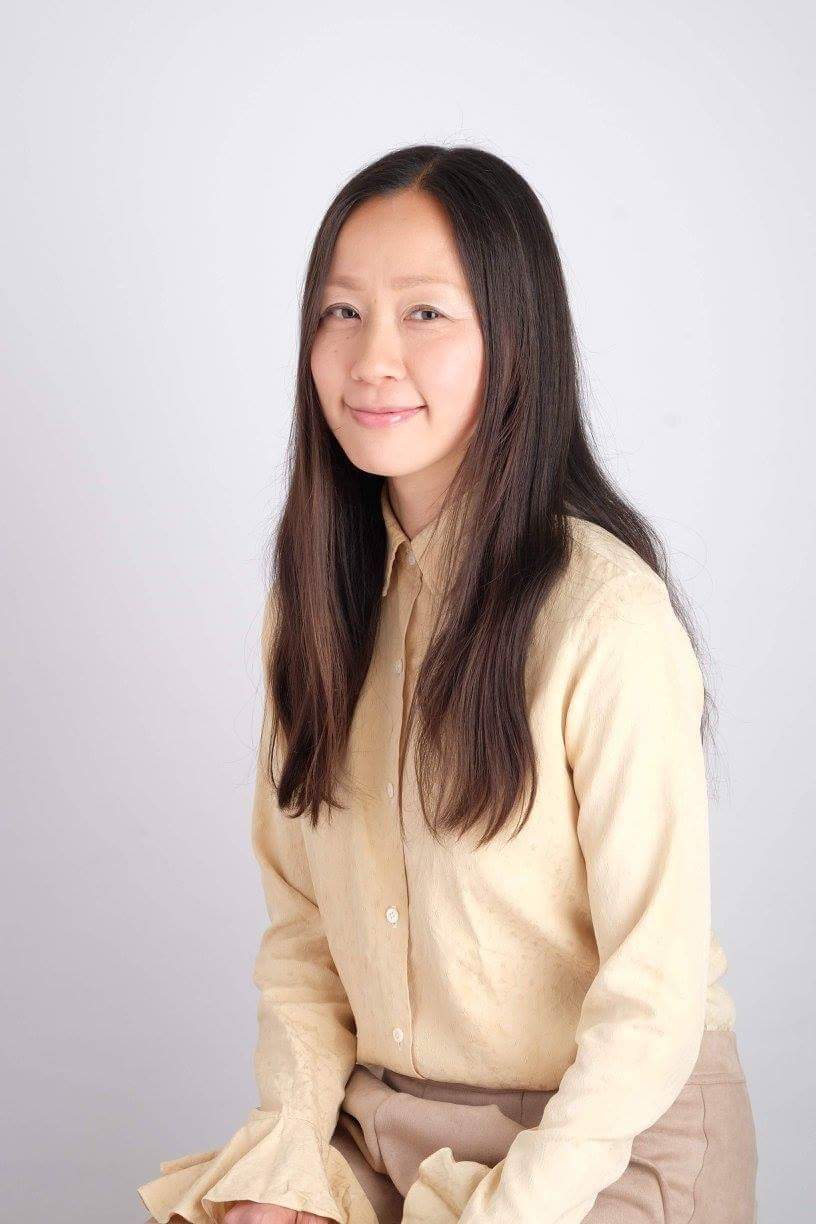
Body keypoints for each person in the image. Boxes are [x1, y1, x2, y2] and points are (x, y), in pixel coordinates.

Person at [137, 145, 758, 1224]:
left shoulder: (603, 616)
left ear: (514, 340)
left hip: (607, 1138)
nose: (372, 359)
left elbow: (650, 1003)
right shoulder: (314, 606)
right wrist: (288, 1161)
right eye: (341, 313)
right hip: (387, 1129)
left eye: (425, 313)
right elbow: (304, 942)